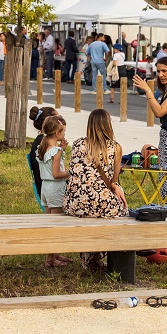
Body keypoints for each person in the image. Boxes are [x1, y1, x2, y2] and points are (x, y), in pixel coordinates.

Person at [62, 109, 129, 273]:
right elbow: (112, 180)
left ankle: (89, 254)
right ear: (108, 124)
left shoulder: (78, 144)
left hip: (74, 204)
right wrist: (117, 187)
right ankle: (97, 255)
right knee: (124, 211)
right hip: (102, 204)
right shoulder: (115, 147)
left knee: (92, 215)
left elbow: (74, 172)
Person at [132, 55, 167, 217]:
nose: (161, 74)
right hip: (166, 137)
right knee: (164, 183)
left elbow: (159, 112)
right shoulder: (166, 90)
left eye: (164, 71)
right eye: (158, 71)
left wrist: (148, 91)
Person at [36, 114, 74, 268]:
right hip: (56, 189)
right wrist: (72, 171)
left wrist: (63, 150)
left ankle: (53, 255)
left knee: (49, 224)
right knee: (56, 226)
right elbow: (57, 173)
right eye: (63, 132)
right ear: (57, 134)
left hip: (45, 188)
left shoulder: (42, 147)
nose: (64, 134)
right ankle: (50, 260)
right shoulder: (56, 150)